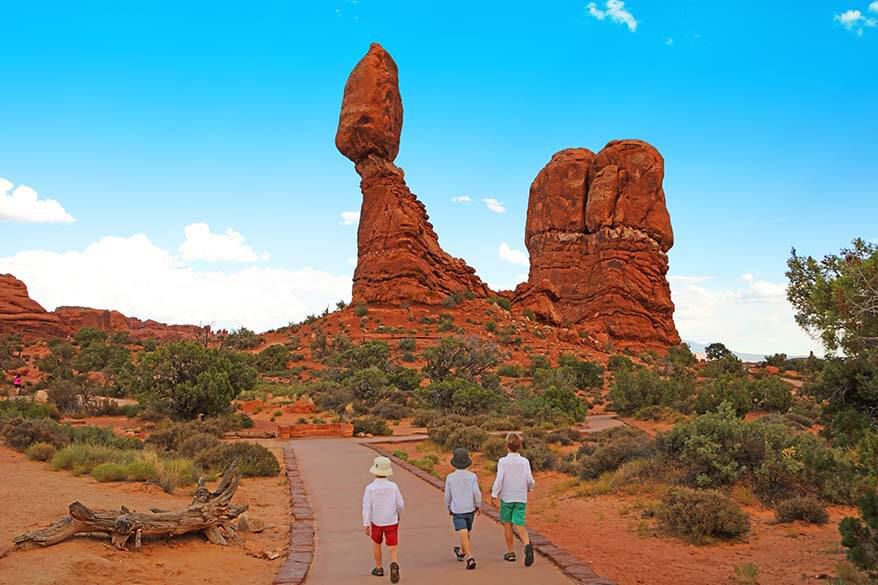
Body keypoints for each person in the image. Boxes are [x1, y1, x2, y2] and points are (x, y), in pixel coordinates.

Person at [490, 432, 535, 567]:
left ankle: (510, 552)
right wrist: (529, 488)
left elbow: (500, 478)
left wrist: (494, 494)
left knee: (507, 523)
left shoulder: (503, 462)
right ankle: (527, 544)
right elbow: (529, 479)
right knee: (519, 523)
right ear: (520, 446)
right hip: (521, 497)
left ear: (506, 446)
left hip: (507, 497)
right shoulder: (525, 461)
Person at [362, 456, 404, 583]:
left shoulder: (370, 488)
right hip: (391, 520)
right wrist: (398, 514)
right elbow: (400, 504)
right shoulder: (393, 486)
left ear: (375, 471)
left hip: (377, 521)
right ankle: (394, 563)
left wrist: (366, 523)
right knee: (393, 545)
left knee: (377, 543)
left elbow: (366, 506)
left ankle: (379, 568)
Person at [444, 447, 481, 570]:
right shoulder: (472, 476)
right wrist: (478, 505)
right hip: (470, 507)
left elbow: (447, 495)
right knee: (466, 530)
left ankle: (469, 557)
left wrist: (448, 506)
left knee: (463, 530)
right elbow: (476, 492)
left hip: (457, 508)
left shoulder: (450, 477)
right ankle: (463, 552)